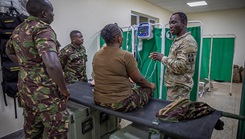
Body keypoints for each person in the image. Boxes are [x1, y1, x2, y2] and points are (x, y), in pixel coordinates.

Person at [5, 0, 70, 138]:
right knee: (57, 132)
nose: (54, 15)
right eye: (52, 12)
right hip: (46, 93)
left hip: (26, 90)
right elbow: (52, 64)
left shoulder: (19, 29)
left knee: (32, 131)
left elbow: (8, 51)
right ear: (44, 13)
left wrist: (27, 64)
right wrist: (64, 89)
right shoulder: (43, 29)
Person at [92, 23, 156, 112]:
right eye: (121, 36)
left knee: (131, 86)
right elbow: (139, 80)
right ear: (118, 38)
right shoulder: (126, 55)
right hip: (120, 103)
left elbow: (102, 74)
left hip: (98, 100)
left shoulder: (97, 55)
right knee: (148, 89)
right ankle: (143, 120)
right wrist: (151, 85)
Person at [149, 12, 198, 101]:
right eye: (170, 23)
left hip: (179, 89)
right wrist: (162, 57)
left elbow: (182, 66)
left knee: (176, 113)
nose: (171, 26)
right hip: (174, 86)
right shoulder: (179, 40)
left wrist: (163, 58)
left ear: (184, 23)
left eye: (174, 22)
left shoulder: (188, 42)